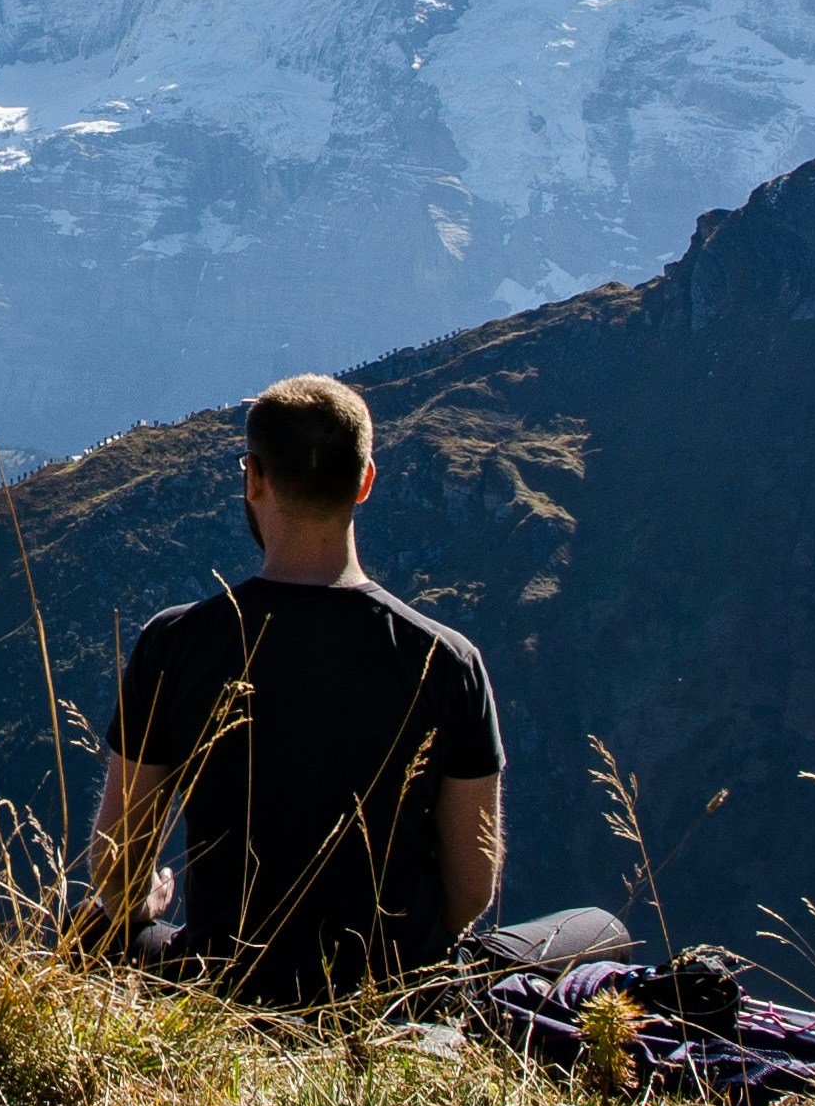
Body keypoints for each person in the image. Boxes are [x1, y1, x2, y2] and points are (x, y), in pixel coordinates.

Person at [84, 372, 505, 1004]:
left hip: (224, 994)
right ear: (365, 481)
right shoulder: (448, 662)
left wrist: (143, 902)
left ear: (253, 477)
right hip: (390, 1000)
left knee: (89, 928)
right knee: (593, 932)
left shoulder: (174, 645)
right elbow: (471, 891)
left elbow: (117, 865)